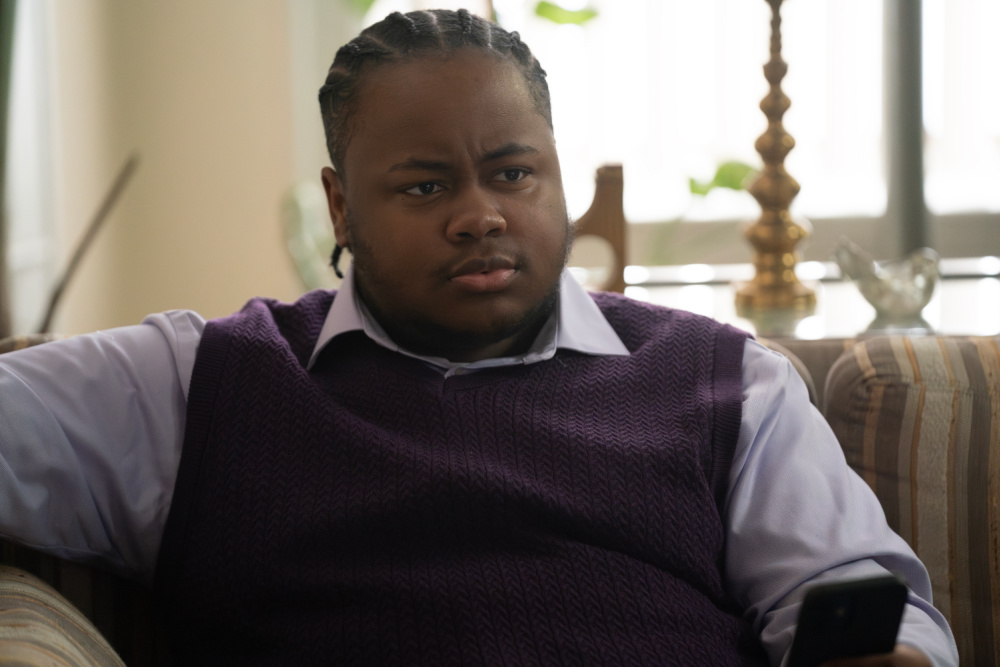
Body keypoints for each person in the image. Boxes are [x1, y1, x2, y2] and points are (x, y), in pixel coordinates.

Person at [0, 9, 956, 666]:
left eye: (513, 173)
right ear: (340, 205)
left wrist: (885, 650)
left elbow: (851, 589)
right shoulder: (202, 383)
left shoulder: (727, 384)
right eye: (425, 186)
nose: (480, 215)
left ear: (559, 174)